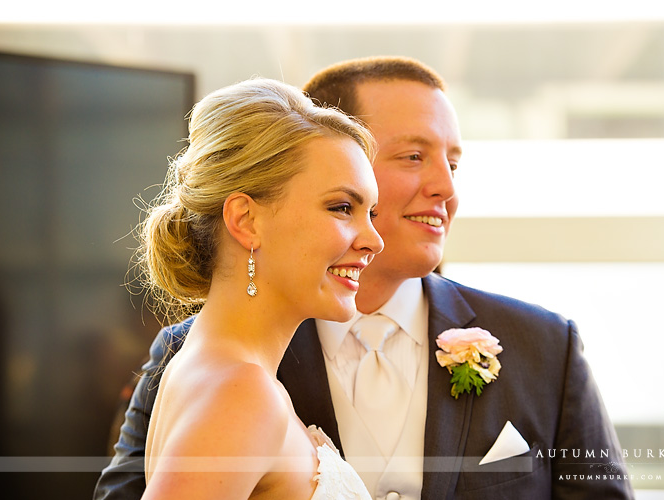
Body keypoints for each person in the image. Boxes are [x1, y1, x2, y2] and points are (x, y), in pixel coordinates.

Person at [95, 57, 634, 500]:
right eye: (413, 155)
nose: (445, 187)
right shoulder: (233, 382)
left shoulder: (545, 346)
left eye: (454, 163)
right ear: (246, 219)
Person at [130, 78, 383, 499]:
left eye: (370, 212)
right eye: (342, 207)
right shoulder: (242, 394)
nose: (374, 240)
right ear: (246, 220)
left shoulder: (221, 372)